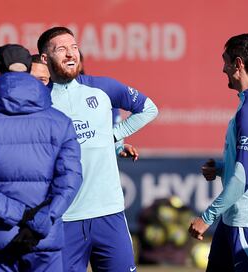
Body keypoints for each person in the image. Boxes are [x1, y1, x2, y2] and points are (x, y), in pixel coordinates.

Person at [37, 26, 158, 272]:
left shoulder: (101, 87)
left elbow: (149, 109)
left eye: (73, 47)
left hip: (109, 214)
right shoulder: (38, 100)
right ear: (44, 59)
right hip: (65, 218)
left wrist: (114, 137)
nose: (71, 54)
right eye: (61, 49)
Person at [0, 44, 83, 271]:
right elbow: (70, 179)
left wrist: (18, 214)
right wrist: (40, 219)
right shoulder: (60, 122)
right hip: (43, 238)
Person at [188, 33, 248, 272]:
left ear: (238, 63)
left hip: (247, 224)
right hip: (233, 220)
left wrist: (206, 218)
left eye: (225, 61)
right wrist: (220, 168)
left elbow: (242, 179)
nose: (223, 68)